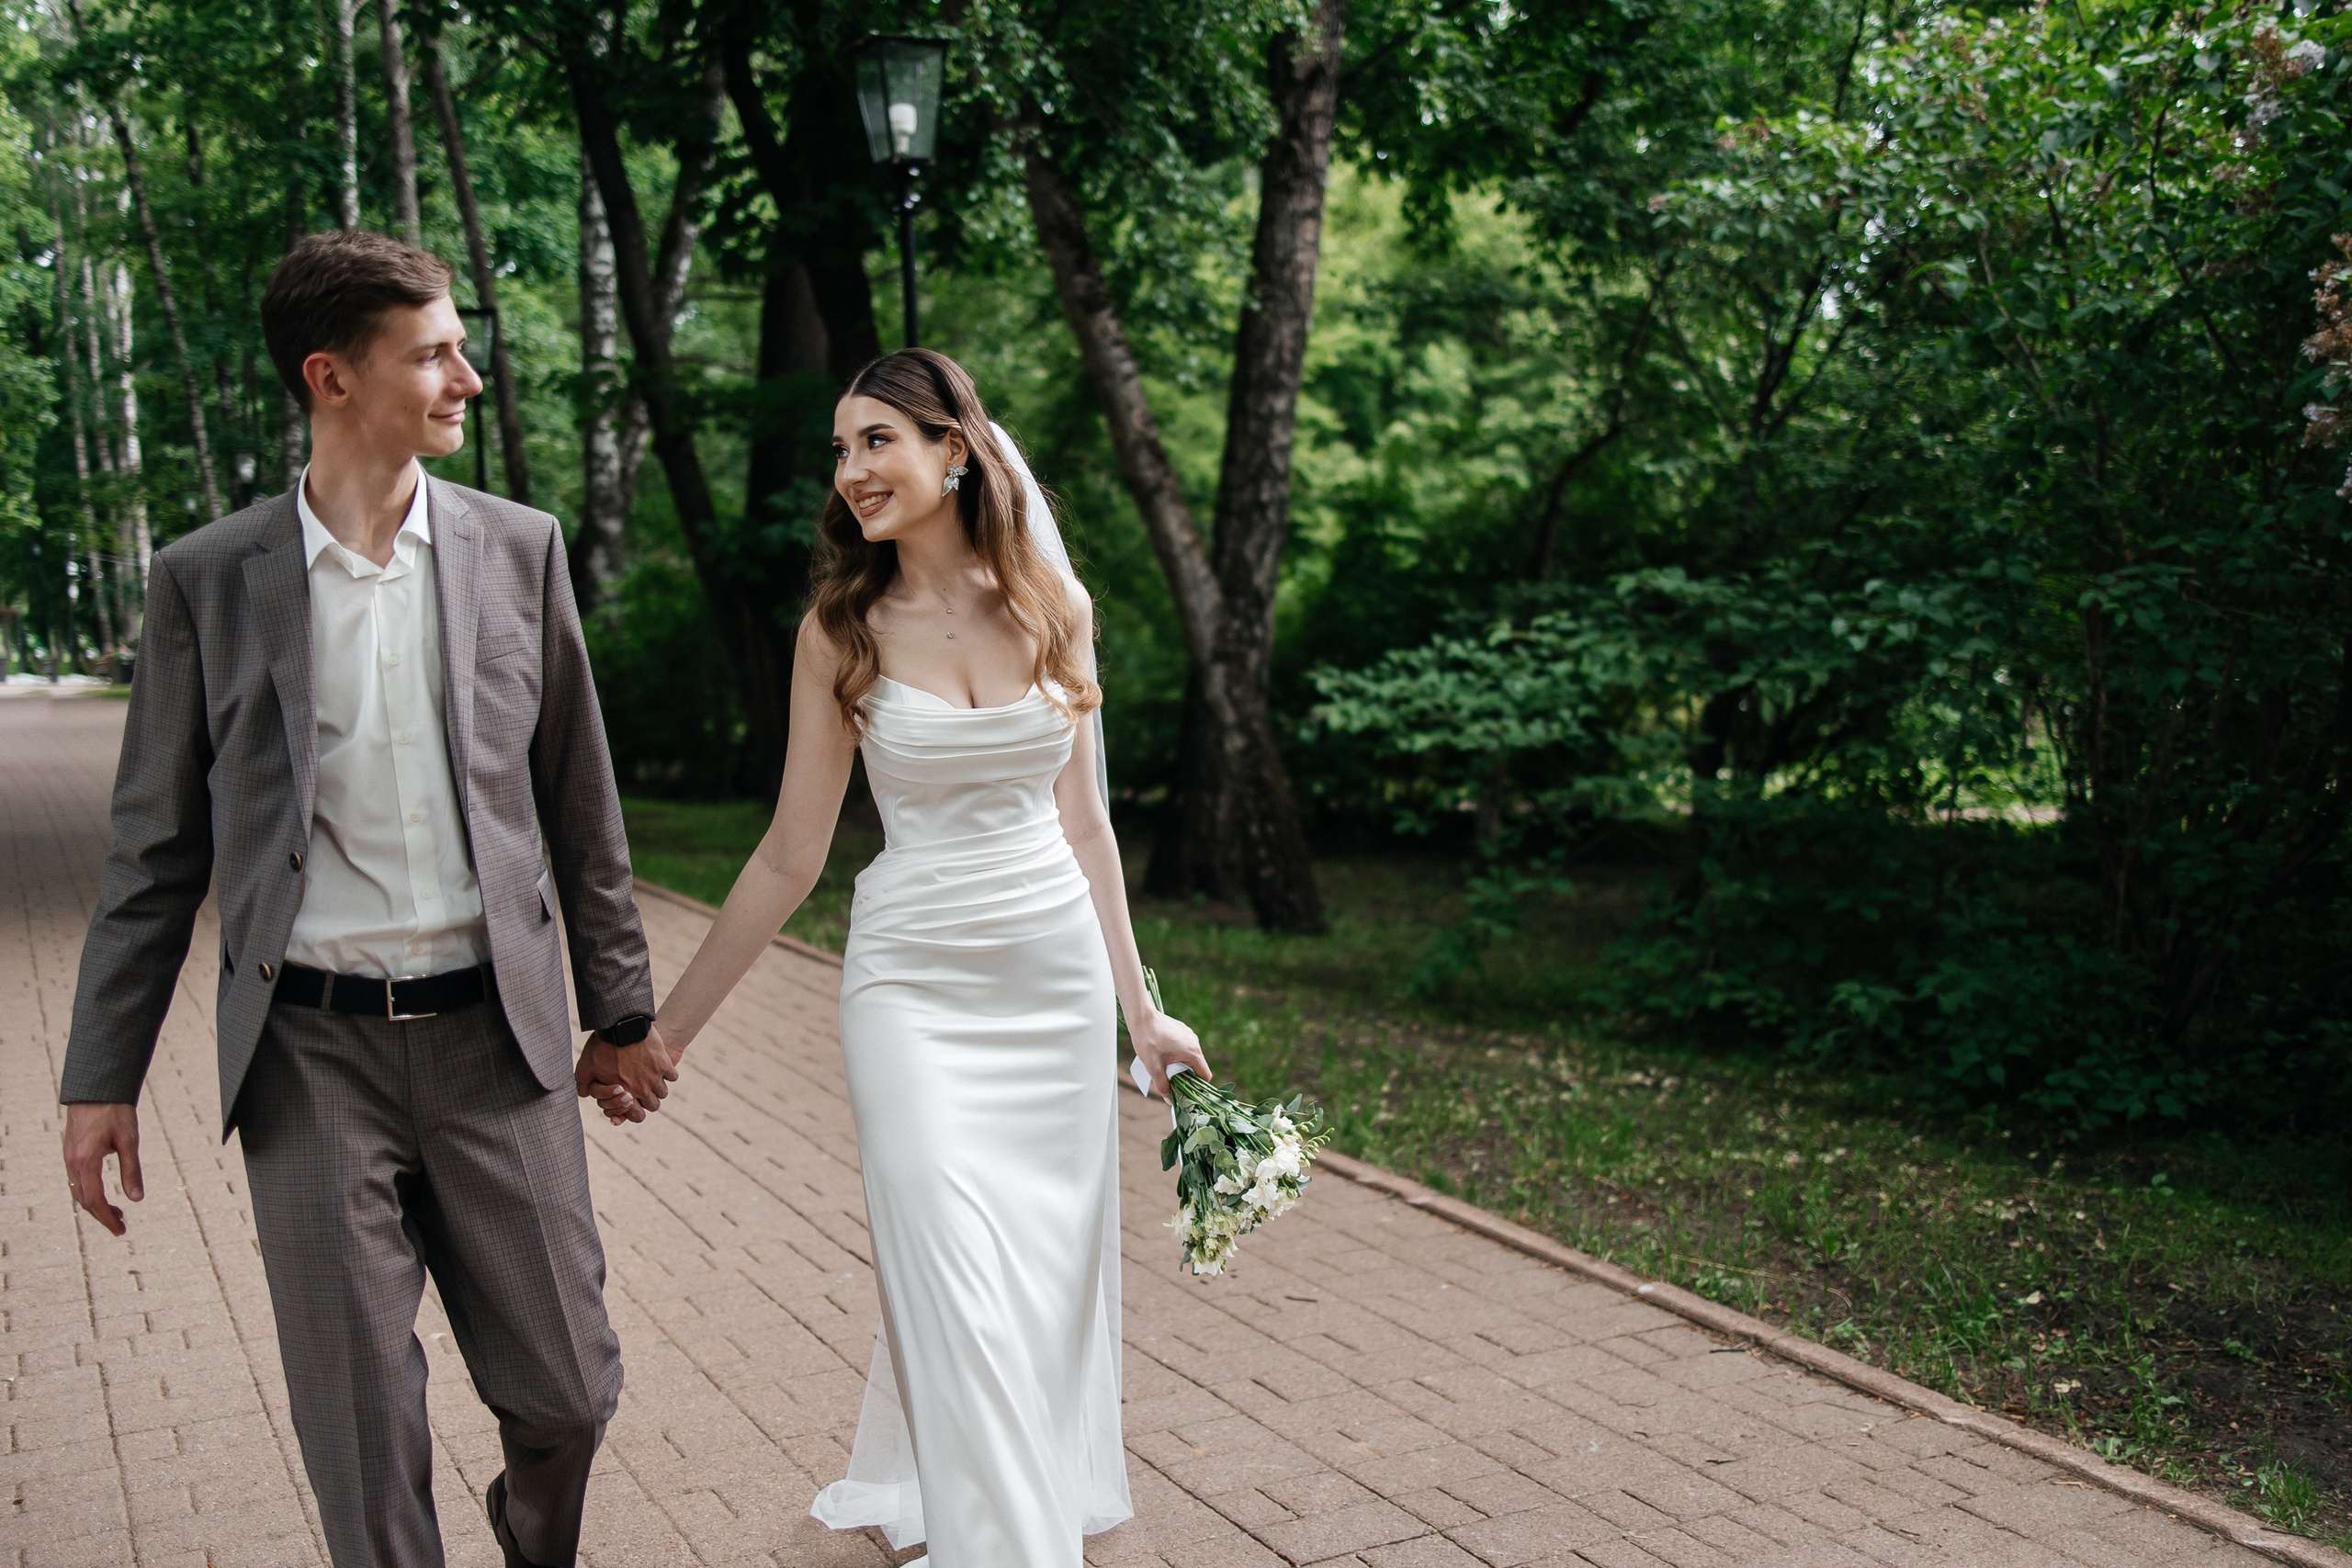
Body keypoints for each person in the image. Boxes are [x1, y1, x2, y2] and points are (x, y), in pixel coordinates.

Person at [57, 229, 677, 1568]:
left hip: (494, 1046)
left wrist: (621, 1010)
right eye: (435, 354)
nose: (468, 377)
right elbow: (153, 850)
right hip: (308, 1060)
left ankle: (528, 1532)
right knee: (359, 1432)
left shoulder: (520, 550)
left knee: (569, 1394)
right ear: (331, 378)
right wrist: (98, 1073)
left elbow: (582, 807)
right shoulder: (209, 580)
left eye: (461, 347)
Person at [597, 348, 1208, 1566]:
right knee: (949, 1275)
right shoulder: (840, 632)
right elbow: (787, 856)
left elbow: (1086, 826)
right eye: (840, 448)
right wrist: (665, 1031)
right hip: (912, 989)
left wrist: (1144, 1012)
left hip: (1052, 994)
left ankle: (999, 1527)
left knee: (1033, 1302)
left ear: (954, 450)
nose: (852, 469)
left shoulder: (1056, 608)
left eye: (877, 439)